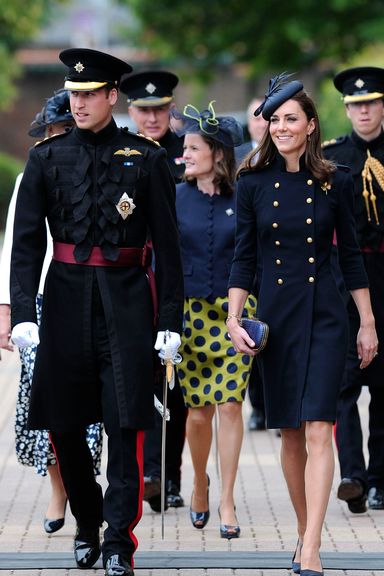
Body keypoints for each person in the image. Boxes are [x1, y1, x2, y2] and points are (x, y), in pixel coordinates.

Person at [10, 48, 183, 576]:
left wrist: (169, 321)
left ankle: (117, 543)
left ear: (113, 96)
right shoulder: (45, 157)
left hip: (127, 305)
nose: (78, 103)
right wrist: (22, 315)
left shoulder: (147, 158)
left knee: (124, 424)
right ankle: (87, 523)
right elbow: (24, 245)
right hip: (64, 302)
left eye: (89, 94)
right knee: (63, 426)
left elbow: (170, 248)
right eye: (73, 94)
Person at [226, 73, 378, 575]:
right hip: (276, 318)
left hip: (329, 315)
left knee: (320, 427)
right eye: (274, 120)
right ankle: (302, 529)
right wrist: (233, 318)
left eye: (291, 119)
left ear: (311, 125)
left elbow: (352, 258)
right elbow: (243, 259)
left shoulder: (337, 180)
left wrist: (368, 323)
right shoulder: (250, 183)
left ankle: (311, 547)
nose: (282, 127)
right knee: (290, 433)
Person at [0, 89, 104, 535]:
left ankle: (88, 495)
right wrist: (8, 307)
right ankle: (60, 490)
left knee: (94, 412)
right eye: (54, 131)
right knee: (49, 404)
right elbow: (15, 247)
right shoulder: (34, 172)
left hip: (92, 295)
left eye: (65, 129)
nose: (60, 137)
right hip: (39, 303)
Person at [172, 101, 255, 539]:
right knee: (199, 413)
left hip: (235, 313)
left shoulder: (245, 196)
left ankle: (226, 499)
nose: (183, 154)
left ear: (217, 153)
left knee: (230, 405)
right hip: (189, 315)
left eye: (191, 147)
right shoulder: (174, 195)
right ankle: (199, 482)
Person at [120, 70, 187, 511]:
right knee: (140, 377)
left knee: (177, 384)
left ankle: (171, 474)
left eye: (159, 109)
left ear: (171, 110)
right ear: (130, 112)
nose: (152, 117)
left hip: (183, 272)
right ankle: (148, 472)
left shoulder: (190, 152)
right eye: (144, 110)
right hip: (136, 274)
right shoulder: (124, 154)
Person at [323, 66, 384, 513]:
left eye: (371, 103)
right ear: (346, 108)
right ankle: (352, 475)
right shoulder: (332, 158)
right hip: (345, 279)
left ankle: (380, 476)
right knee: (342, 383)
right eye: (355, 104)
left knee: (383, 386)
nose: (363, 110)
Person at [235, 97, 269, 431]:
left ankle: (268, 405)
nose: (262, 122)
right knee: (251, 332)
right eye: (256, 117)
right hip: (246, 259)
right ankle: (257, 407)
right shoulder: (238, 155)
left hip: (273, 259)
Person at [235, 97, 269, 165]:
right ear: (249, 124)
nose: (263, 125)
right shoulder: (234, 156)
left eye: (267, 118)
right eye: (257, 119)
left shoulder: (286, 154)